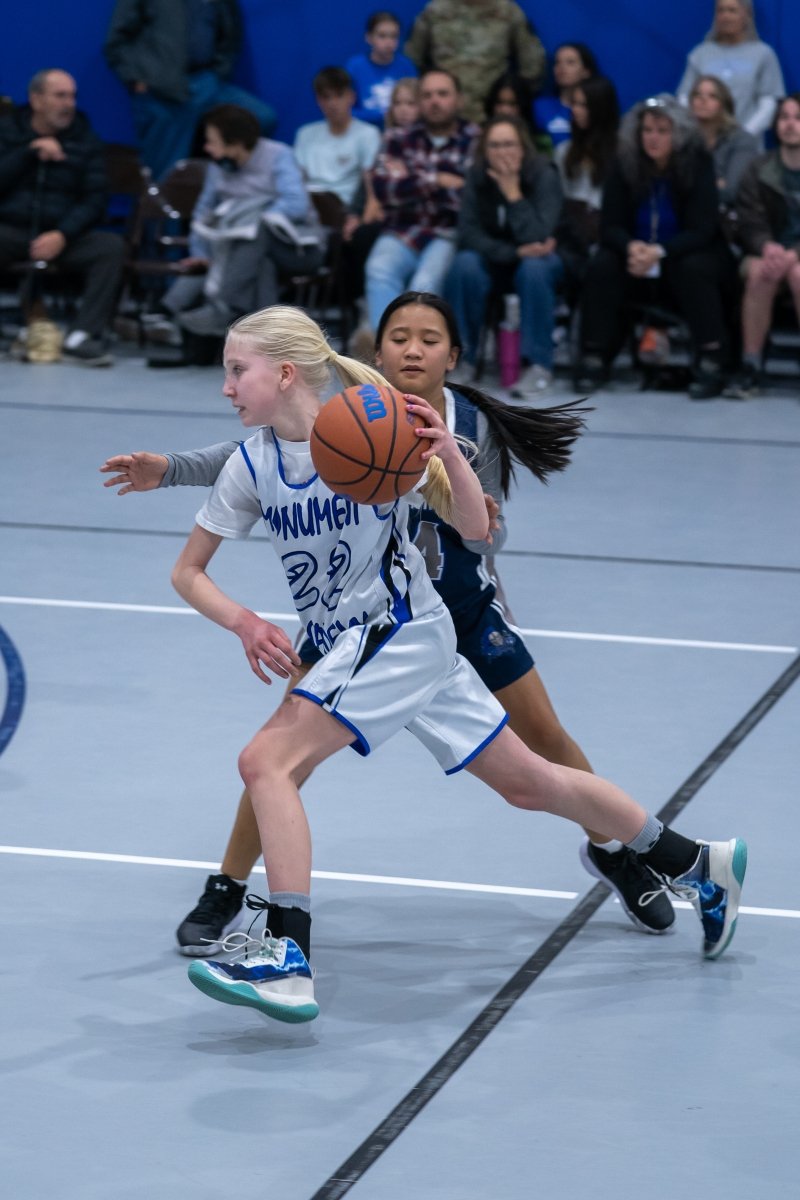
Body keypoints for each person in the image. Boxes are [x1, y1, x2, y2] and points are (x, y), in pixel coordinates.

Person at [103, 304, 746, 1025]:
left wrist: (448, 457)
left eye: (235, 370)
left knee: (266, 763)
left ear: (284, 374)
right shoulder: (251, 464)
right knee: (530, 784)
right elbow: (187, 573)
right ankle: (699, 862)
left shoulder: (370, 430)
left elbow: (474, 529)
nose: (225, 386)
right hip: (368, 641)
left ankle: (286, 956)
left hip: (395, 630)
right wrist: (244, 622)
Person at [575, 94, 739, 400]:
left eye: (663, 131)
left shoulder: (698, 164)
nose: (653, 138)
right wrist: (631, 247)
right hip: (636, 254)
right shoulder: (623, 164)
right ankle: (594, 355)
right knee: (603, 264)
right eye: (648, 130)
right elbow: (610, 225)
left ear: (678, 134)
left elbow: (702, 229)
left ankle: (713, 357)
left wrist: (659, 252)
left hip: (685, 252)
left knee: (695, 267)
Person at [157, 105, 322, 341]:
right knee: (261, 263)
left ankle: (196, 308)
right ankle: (267, 336)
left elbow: (297, 204)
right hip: (244, 251)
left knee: (255, 230)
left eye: (212, 142)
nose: (206, 148)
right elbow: (204, 214)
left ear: (235, 144)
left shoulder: (278, 155)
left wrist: (249, 217)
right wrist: (200, 252)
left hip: (297, 247)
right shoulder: (217, 168)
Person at [0, 69, 125, 367]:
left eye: (72, 96)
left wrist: (62, 234)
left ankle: (82, 335)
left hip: (64, 236)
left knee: (111, 247)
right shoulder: (7, 133)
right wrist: (28, 152)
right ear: (36, 100)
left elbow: (95, 200)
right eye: (60, 96)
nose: (69, 104)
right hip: (11, 230)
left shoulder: (86, 140)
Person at [445, 115, 564, 394]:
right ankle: (462, 360)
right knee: (464, 265)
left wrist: (513, 194)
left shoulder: (543, 174)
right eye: (495, 146)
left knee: (535, 268)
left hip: (542, 261)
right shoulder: (477, 175)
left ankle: (538, 365)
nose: (502, 153)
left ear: (523, 147)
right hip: (495, 259)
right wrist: (513, 252)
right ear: (485, 150)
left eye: (509, 144)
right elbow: (468, 234)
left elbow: (539, 236)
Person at [104, 0, 276, 182]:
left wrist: (218, 73)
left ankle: (224, 185)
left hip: (207, 82)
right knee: (165, 177)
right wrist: (137, 78)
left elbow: (230, 35)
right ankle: (167, 197)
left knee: (262, 117)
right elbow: (116, 42)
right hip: (162, 92)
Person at [363, 69, 479, 334]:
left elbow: (468, 199)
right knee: (379, 269)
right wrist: (438, 179)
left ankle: (414, 355)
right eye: (427, 95)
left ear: (459, 99)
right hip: (401, 229)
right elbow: (385, 190)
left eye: (442, 94)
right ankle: (387, 353)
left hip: (448, 233)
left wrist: (411, 180)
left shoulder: (474, 139)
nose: (434, 101)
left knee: (423, 285)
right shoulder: (397, 138)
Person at [723, 94, 800, 399]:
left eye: (798, 118)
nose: (790, 124)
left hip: (796, 256)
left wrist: (793, 255)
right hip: (765, 252)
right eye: (784, 117)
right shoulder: (759, 168)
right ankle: (751, 365)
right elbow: (748, 218)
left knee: (799, 275)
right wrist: (766, 245)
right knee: (759, 274)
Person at [405, 0, 545, 126]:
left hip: (491, 119)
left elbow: (532, 65)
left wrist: (512, 102)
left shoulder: (507, 12)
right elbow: (410, 62)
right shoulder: (436, 11)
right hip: (442, 117)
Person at [676, 0, 785, 144]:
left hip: (747, 147)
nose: (726, 16)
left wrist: (743, 135)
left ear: (747, 15)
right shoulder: (700, 54)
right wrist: (700, 132)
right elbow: (684, 98)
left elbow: (768, 105)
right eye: (721, 11)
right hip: (705, 145)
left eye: (732, 10)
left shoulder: (763, 54)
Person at [554, 76, 620, 298]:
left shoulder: (623, 153)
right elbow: (560, 202)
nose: (576, 110)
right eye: (574, 103)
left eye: (583, 105)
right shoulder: (564, 152)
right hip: (572, 238)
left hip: (609, 238)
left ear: (600, 108)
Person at [293, 67, 382, 210]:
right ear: (318, 100)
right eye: (326, 97)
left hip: (346, 209)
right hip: (308, 207)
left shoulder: (369, 134)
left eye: (339, 95)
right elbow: (297, 178)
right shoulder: (304, 133)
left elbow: (370, 181)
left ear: (351, 97)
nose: (332, 104)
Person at [689, 75, 759, 210]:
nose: (703, 100)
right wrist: (716, 182)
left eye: (712, 96)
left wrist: (694, 187)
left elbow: (731, 192)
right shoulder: (683, 139)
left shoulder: (742, 140)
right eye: (697, 94)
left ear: (724, 105)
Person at [345, 11, 418, 129]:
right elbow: (346, 110)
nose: (388, 42)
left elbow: (417, 106)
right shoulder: (354, 67)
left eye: (394, 36)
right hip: (363, 131)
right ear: (368, 38)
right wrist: (382, 115)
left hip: (401, 132)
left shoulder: (406, 66)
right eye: (382, 36)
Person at [534, 42, 599, 149]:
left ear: (586, 71)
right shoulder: (540, 106)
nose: (562, 67)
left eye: (570, 62)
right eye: (557, 62)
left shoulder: (596, 108)